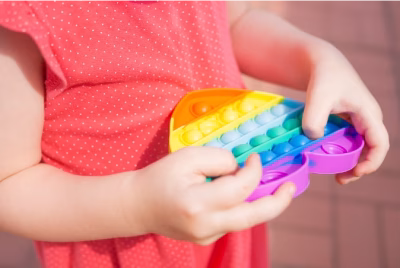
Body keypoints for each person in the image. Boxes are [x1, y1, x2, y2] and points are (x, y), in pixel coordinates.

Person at [0, 0, 389, 267]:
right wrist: (136, 205)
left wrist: (319, 59)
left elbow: (234, 21)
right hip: (124, 241)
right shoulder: (24, 21)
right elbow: (9, 182)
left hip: (225, 221)